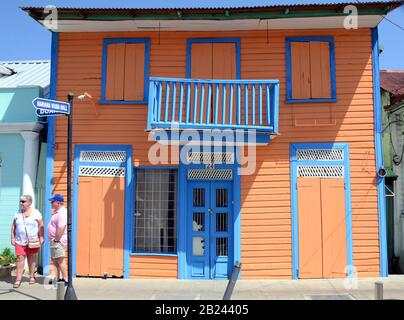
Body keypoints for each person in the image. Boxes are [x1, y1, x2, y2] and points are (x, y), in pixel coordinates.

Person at [11, 195, 44, 288]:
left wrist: (41, 237)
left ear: (29, 203)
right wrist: (12, 237)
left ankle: (32, 276)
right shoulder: (17, 212)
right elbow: (13, 226)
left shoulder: (36, 213)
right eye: (20, 201)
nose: (21, 203)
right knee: (20, 258)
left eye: (23, 201)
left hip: (32, 240)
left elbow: (41, 225)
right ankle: (18, 279)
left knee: (31, 258)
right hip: (19, 240)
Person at [47, 194, 68, 284]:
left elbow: (61, 227)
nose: (51, 203)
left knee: (60, 260)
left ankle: (66, 279)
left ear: (58, 202)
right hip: (54, 240)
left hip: (58, 241)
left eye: (52, 201)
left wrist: (56, 239)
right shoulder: (58, 212)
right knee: (55, 260)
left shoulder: (62, 213)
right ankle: (58, 278)